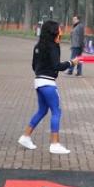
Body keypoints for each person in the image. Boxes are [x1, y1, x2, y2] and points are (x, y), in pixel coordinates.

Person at [18, 20, 80, 154]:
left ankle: (25, 136)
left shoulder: (38, 46)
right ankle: (54, 143)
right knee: (56, 112)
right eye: (59, 29)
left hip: (38, 81)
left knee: (42, 110)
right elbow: (57, 66)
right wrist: (71, 63)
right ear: (54, 31)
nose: (61, 31)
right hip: (48, 83)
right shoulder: (53, 46)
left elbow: (34, 66)